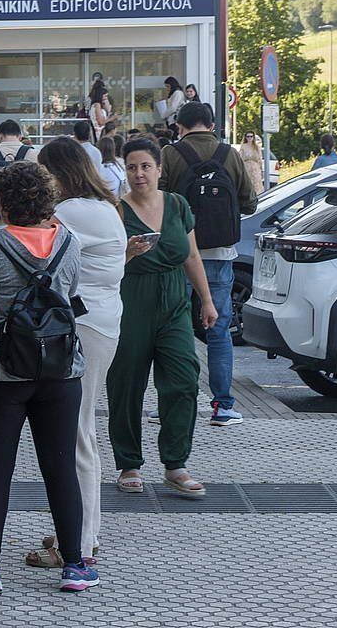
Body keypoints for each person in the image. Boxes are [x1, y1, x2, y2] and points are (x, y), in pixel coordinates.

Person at [0, 160, 98, 595]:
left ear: (2, 202)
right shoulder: (69, 243)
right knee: (61, 468)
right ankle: (74, 565)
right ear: (47, 200)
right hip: (59, 368)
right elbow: (70, 296)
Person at [23, 139, 125, 571]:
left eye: (44, 172)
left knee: (76, 433)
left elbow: (34, 254)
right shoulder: (103, 208)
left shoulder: (71, 212)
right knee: (80, 431)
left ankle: (79, 543)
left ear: (59, 173)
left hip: (82, 327)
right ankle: (81, 529)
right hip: (100, 323)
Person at [107, 139, 217, 500]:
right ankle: (129, 463)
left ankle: (175, 464)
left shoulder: (177, 204)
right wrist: (127, 251)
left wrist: (206, 300)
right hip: (130, 299)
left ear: (159, 169)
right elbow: (104, 266)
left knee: (184, 379)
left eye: (145, 166)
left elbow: (192, 255)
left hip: (174, 302)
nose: (139, 174)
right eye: (132, 167)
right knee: (126, 385)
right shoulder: (117, 211)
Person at [160, 102, 256, 427]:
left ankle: (170, 406)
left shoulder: (171, 154)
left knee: (175, 332)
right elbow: (250, 201)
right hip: (220, 257)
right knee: (219, 333)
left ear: (180, 126)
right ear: (212, 125)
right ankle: (223, 407)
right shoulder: (229, 154)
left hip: (178, 257)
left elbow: (158, 199)